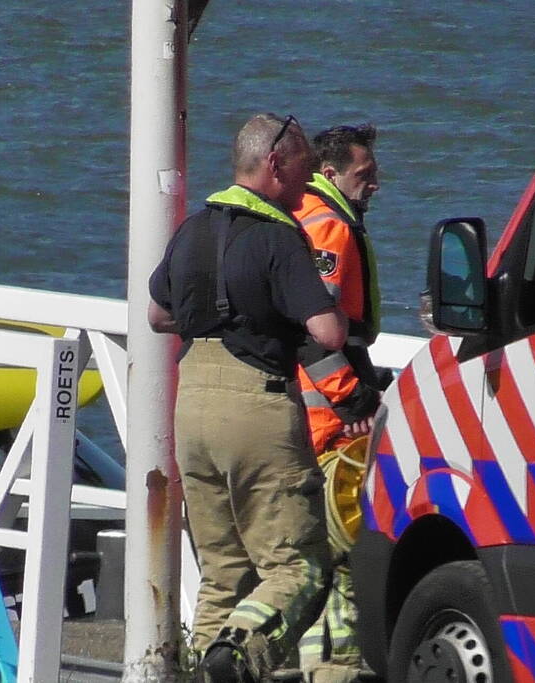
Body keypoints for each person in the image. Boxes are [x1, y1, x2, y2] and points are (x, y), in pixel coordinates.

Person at [148, 113, 347, 683]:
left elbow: (158, 314)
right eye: (306, 167)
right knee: (297, 568)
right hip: (256, 405)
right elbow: (328, 333)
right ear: (275, 163)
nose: (311, 181)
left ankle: (206, 667)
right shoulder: (278, 235)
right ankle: (235, 659)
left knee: (223, 573)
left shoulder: (192, 230)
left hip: (193, 406)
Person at [293, 124, 388, 683]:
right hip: (328, 422)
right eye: (365, 175)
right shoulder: (329, 225)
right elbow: (322, 331)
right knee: (345, 556)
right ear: (330, 174)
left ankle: (316, 669)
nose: (375, 185)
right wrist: (357, 401)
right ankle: (341, 671)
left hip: (308, 415)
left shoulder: (301, 215)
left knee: (312, 563)